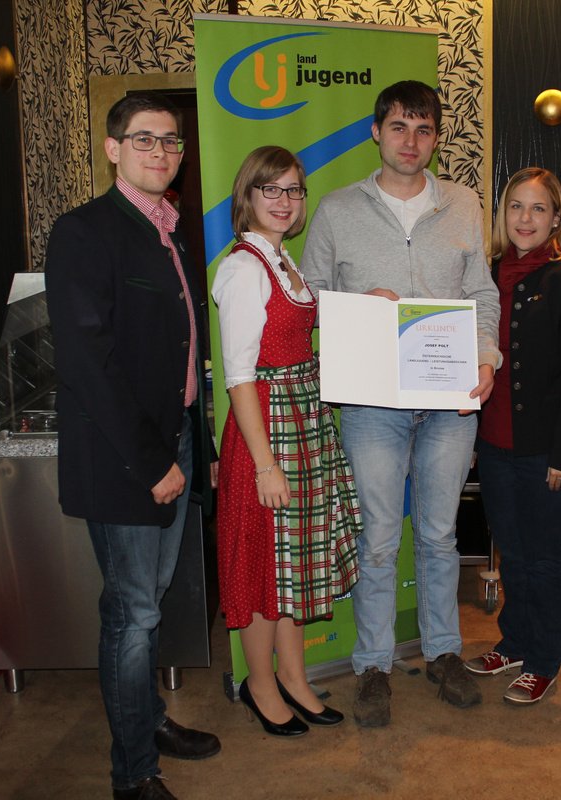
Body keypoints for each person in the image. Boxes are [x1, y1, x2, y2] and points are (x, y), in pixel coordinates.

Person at [302, 79, 501, 727]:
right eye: (398, 127)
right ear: (376, 133)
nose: (410, 141)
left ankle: (443, 652)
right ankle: (373, 666)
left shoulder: (463, 204)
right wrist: (359, 308)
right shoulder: (337, 209)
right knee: (380, 537)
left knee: (440, 535)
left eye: (423, 129)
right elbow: (308, 298)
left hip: (448, 399)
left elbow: (482, 293)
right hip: (371, 404)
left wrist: (487, 358)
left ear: (435, 138)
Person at [46, 92, 220, 800]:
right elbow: (87, 361)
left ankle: (147, 721)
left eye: (171, 140)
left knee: (151, 598)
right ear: (113, 148)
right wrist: (153, 464)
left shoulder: (171, 230)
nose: (160, 151)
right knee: (132, 613)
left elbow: (184, 350)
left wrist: (196, 444)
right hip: (127, 458)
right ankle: (134, 773)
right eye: (144, 138)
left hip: (175, 441)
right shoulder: (84, 231)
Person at [211, 146, 361, 737]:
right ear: (247, 196)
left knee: (293, 563)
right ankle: (260, 683)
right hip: (268, 429)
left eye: (293, 190)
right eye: (270, 189)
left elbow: (304, 318)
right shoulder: (243, 269)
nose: (283, 201)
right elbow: (239, 377)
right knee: (264, 563)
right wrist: (264, 465)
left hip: (303, 420)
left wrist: (366, 305)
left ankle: (295, 677)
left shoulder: (281, 260)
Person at [464, 167, 561, 705]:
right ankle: (515, 643)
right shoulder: (484, 275)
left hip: (551, 451)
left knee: (544, 560)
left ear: (557, 218)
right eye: (516, 207)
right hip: (496, 447)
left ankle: (543, 660)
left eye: (538, 208)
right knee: (514, 556)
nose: (525, 218)